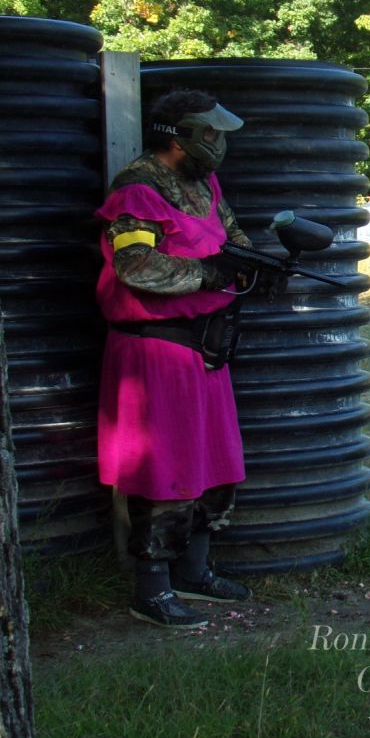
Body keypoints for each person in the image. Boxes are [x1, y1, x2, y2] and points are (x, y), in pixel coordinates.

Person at [95, 88, 253, 629]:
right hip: (156, 350)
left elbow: (233, 238)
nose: (218, 144)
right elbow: (135, 266)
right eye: (211, 134)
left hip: (204, 345)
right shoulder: (137, 191)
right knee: (164, 468)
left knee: (214, 460)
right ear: (180, 137)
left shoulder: (203, 184)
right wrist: (208, 274)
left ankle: (194, 572)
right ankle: (152, 590)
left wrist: (252, 266)